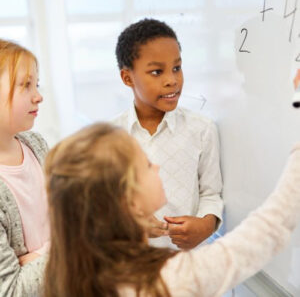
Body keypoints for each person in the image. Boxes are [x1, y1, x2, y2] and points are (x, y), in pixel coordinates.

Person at [43, 75, 300, 296]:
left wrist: (135, 224)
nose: (156, 167)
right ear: (129, 202)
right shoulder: (169, 280)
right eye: (145, 165)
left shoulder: (78, 272)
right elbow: (269, 230)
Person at [113, 18, 223, 249]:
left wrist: (206, 225)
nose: (172, 81)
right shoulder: (112, 137)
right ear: (127, 77)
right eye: (156, 72)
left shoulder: (201, 129)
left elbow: (211, 194)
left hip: (189, 266)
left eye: (176, 68)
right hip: (134, 268)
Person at [0, 39, 49, 297]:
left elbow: (75, 217)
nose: (38, 96)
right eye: (26, 85)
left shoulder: (37, 145)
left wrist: (41, 255)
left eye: (36, 84)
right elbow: (11, 290)